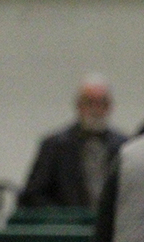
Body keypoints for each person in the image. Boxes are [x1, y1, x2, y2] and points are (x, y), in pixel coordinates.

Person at [19, 74, 129, 209]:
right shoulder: (55, 146)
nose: (95, 110)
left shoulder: (124, 146)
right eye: (89, 102)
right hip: (65, 227)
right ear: (78, 105)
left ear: (109, 107)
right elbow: (33, 195)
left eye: (101, 103)